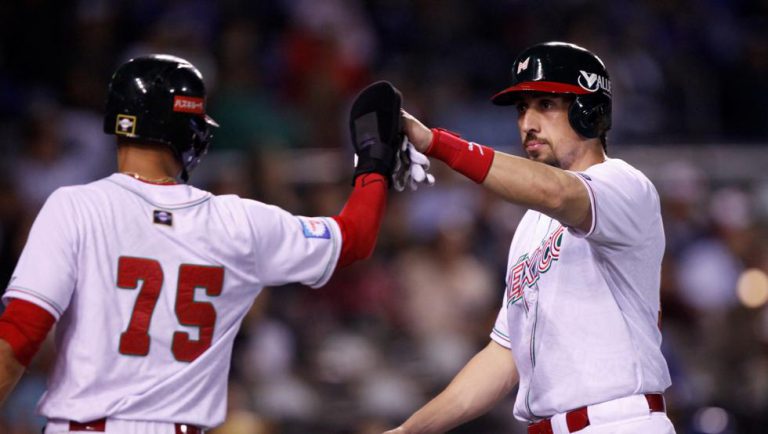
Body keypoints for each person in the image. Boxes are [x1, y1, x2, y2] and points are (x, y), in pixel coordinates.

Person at [0, 55, 400, 433]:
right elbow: (355, 238)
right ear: (186, 128)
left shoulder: (75, 206)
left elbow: (21, 334)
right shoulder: (239, 221)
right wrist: (375, 160)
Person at [385, 42, 676, 434]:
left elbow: (559, 192)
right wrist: (407, 431)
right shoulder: (530, 227)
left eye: (545, 104)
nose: (527, 122)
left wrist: (436, 143)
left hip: (618, 421)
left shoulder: (624, 185)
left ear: (589, 112)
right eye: (523, 108)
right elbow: (504, 357)